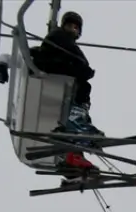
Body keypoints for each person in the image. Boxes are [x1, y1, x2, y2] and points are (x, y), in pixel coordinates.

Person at [30, 10, 100, 171]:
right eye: (70, 26)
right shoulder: (58, 36)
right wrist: (84, 69)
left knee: (80, 89)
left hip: (58, 78)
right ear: (63, 26)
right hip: (53, 74)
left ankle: (72, 158)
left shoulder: (62, 44)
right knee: (83, 86)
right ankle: (76, 121)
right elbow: (79, 60)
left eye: (76, 28)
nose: (72, 30)